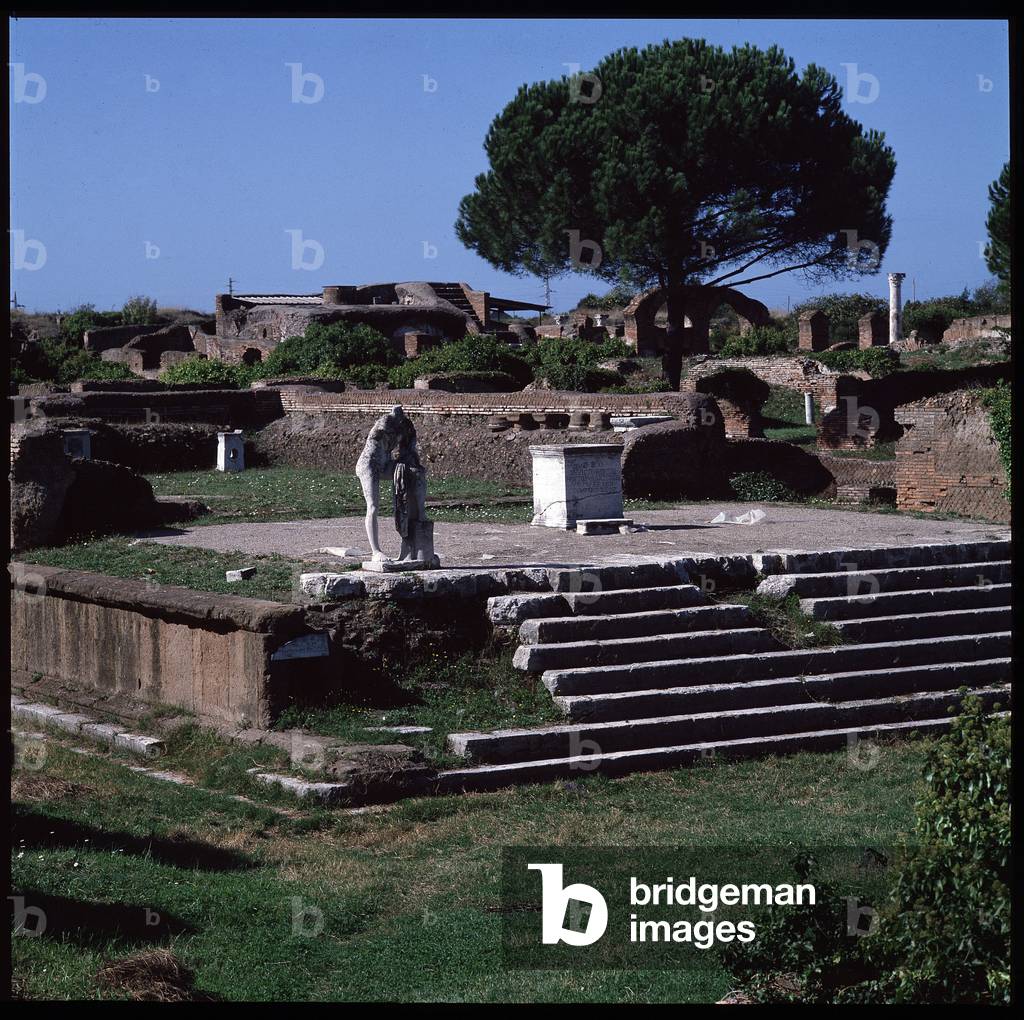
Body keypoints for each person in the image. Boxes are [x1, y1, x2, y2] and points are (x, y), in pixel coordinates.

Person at [355, 406, 409, 562]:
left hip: (384, 464)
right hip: (368, 464)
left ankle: (410, 541)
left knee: (410, 472)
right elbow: (380, 430)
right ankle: (376, 551)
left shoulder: (401, 427)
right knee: (372, 506)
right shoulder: (385, 422)